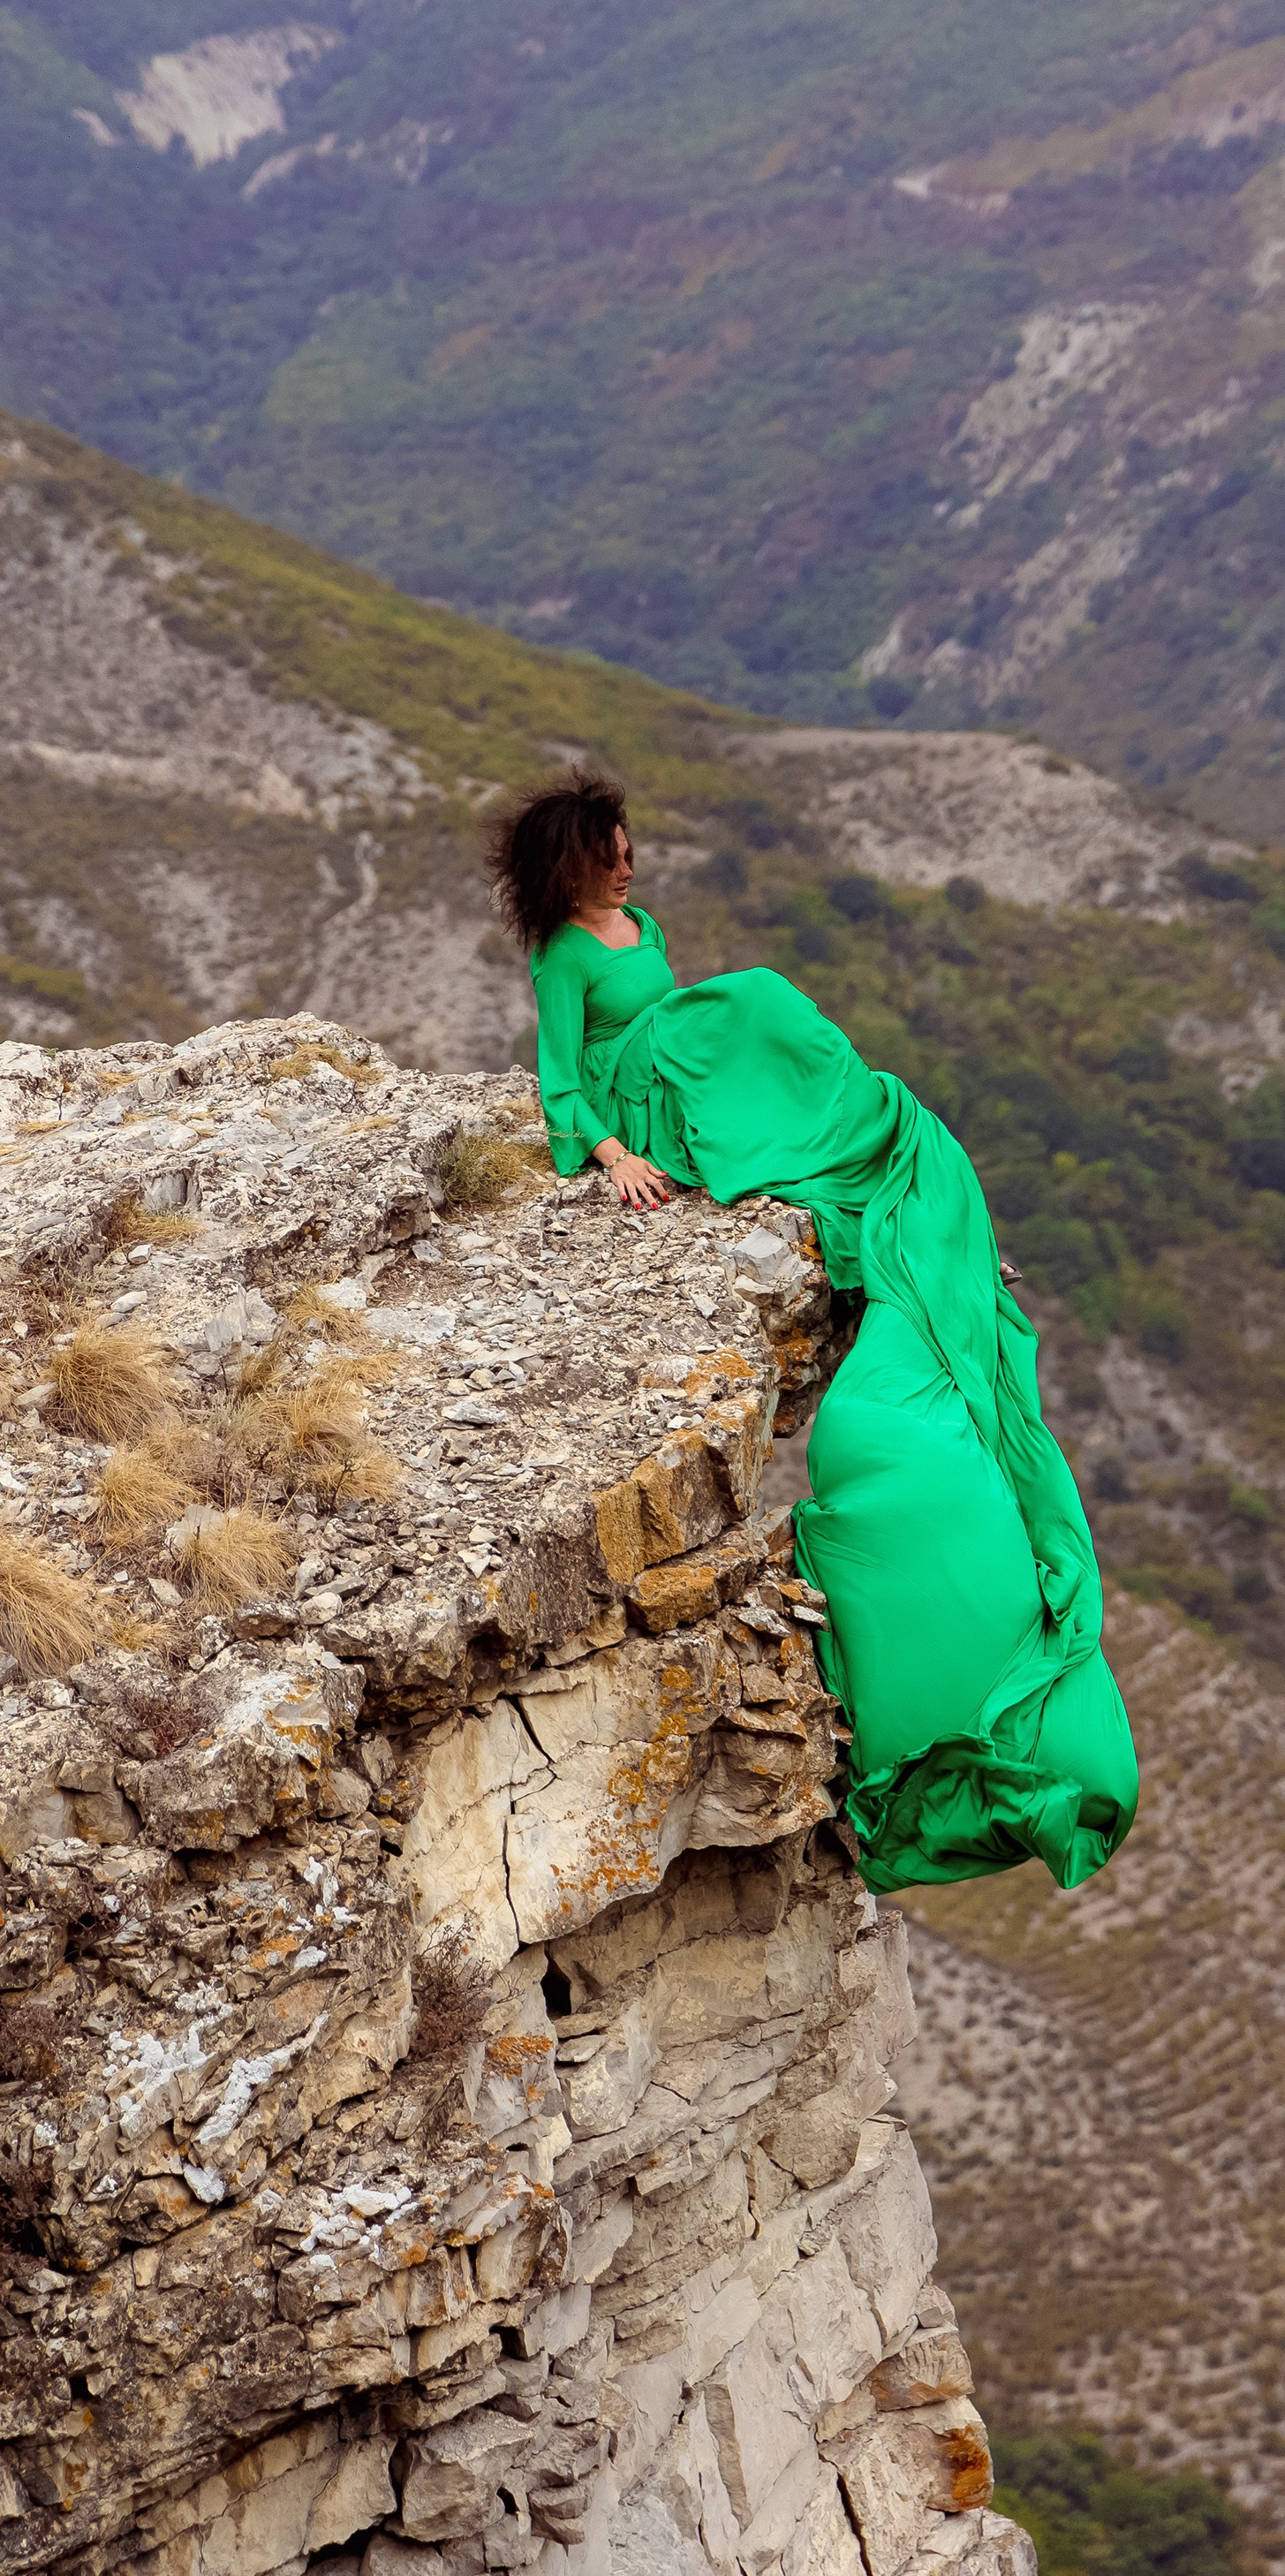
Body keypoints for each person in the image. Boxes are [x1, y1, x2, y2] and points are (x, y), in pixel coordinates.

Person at [487, 770, 1138, 1895]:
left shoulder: (638, 926)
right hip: (638, 1098)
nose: (632, 862)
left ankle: (859, 1145)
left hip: (684, 1064)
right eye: (613, 848)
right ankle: (842, 1149)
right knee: (757, 999)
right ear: (575, 861)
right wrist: (611, 1155)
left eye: (632, 844)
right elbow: (558, 1073)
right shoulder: (563, 954)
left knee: (767, 1007)